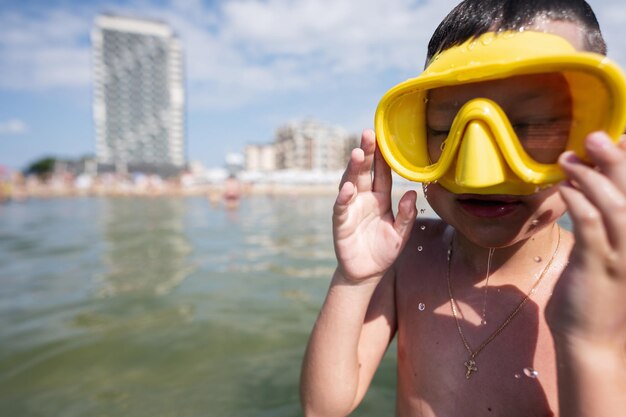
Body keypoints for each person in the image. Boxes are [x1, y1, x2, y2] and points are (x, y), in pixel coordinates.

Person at [300, 1, 626, 416]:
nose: (479, 171)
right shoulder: (408, 256)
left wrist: (591, 341)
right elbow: (322, 408)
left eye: (535, 125)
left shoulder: (613, 286)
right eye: (442, 129)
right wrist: (354, 279)